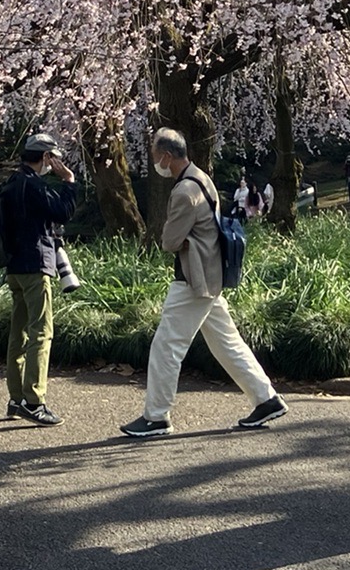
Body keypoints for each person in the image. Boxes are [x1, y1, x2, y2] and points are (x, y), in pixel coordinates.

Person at [122, 129, 288, 438]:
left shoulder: (184, 191)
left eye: (156, 155)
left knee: (166, 347)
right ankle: (266, 399)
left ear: (167, 157)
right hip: (211, 275)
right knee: (226, 343)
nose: (154, 161)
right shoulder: (202, 178)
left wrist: (176, 237)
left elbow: (169, 241)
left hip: (193, 279)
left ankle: (156, 417)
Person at [1, 133, 77, 427]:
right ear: (46, 157)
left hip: (14, 267)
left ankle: (15, 397)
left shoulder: (10, 183)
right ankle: (34, 400)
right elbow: (62, 212)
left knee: (18, 333)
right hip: (35, 266)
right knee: (42, 332)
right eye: (52, 158)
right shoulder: (34, 185)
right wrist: (68, 181)